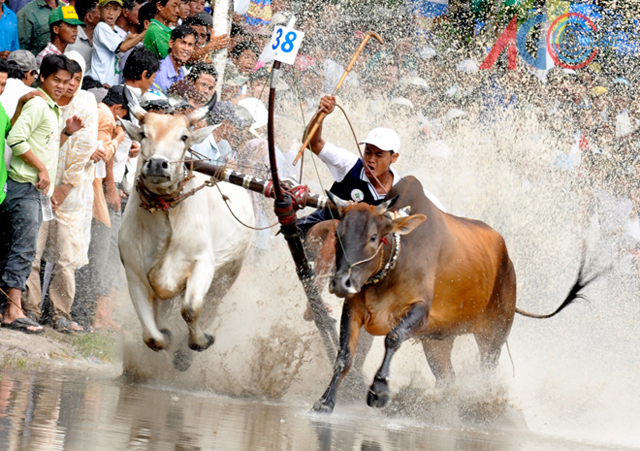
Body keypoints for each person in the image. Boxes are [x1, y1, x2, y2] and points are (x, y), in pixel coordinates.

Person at [0, 54, 84, 334]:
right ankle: (14, 310)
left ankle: (11, 308)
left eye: (66, 82)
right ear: (42, 78)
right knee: (24, 250)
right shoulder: (38, 104)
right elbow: (15, 139)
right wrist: (42, 171)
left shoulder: (52, 108)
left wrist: (66, 134)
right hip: (24, 187)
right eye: (55, 80)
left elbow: (44, 148)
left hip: (33, 190)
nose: (61, 86)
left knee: (17, 248)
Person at [23, 52, 98, 332]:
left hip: (72, 194)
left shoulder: (86, 102)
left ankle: (60, 313)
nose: (69, 85)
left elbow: (84, 150)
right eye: (65, 79)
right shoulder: (43, 100)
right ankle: (29, 308)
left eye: (76, 79)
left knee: (66, 257)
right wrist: (49, 188)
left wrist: (63, 190)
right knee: (33, 250)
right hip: (39, 186)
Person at [88, 0, 146, 88]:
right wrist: (144, 33)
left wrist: (128, 39)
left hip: (109, 84)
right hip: (100, 83)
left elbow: (120, 44)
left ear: (119, 12)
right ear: (100, 9)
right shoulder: (102, 27)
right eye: (107, 8)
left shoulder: (113, 30)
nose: (110, 13)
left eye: (115, 9)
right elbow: (123, 47)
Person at [153, 24, 196, 93]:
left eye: (190, 45)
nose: (186, 48)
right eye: (182, 42)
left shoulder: (181, 73)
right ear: (171, 43)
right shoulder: (157, 71)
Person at [66, 0, 101, 73]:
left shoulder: (102, 37)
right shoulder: (72, 41)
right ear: (90, 17)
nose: (105, 14)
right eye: (100, 10)